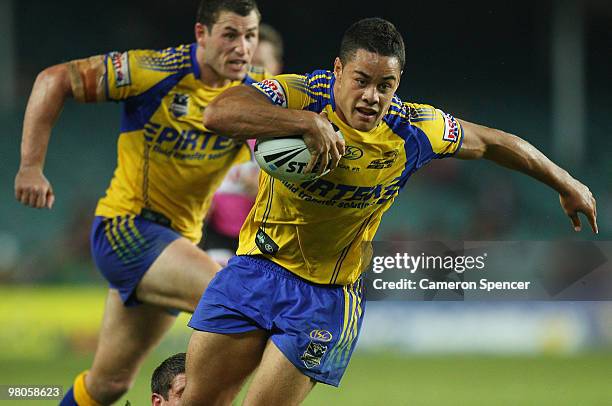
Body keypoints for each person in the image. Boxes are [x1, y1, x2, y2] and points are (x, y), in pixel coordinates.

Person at [181, 17, 598, 404]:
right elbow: (218, 112)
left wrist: (566, 182)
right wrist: (305, 123)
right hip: (254, 270)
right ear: (338, 70)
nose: (371, 97)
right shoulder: (301, 93)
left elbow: (492, 142)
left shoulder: (413, 130)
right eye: (361, 80)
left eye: (386, 85)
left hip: (326, 297)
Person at [13, 1, 324, 404]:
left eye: (249, 36)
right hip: (127, 228)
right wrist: (30, 166)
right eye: (230, 34)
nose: (242, 47)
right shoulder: (154, 70)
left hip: (176, 244)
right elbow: (53, 80)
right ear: (201, 34)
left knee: (108, 385)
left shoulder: (253, 93)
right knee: (237, 307)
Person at [200, 23, 283, 265]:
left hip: (267, 239)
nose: (253, 72)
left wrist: (263, 191)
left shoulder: (291, 125)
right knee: (213, 293)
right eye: (248, 64)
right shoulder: (215, 117)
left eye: (260, 64)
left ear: (277, 67)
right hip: (217, 237)